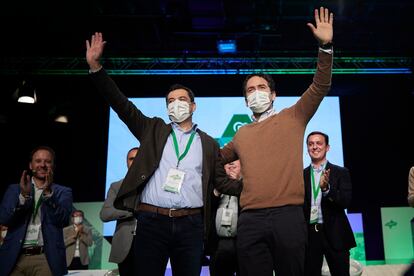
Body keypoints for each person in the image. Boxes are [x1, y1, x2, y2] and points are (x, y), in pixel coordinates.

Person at [85, 34, 240, 276]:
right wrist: (96, 67)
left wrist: (256, 187)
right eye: (170, 101)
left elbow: (220, 181)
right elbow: (121, 105)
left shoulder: (208, 143)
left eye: (181, 100)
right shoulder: (153, 129)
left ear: (193, 106)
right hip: (151, 221)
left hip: (191, 224)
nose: (175, 104)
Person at [217, 7, 334, 276]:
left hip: (288, 217)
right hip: (250, 220)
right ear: (246, 101)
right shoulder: (241, 134)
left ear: (273, 95)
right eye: (250, 90)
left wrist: (325, 47)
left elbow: (320, 86)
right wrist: (232, 186)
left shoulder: (293, 116)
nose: (255, 93)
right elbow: (214, 159)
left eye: (261, 89)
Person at [0, 146, 73, 276]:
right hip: (15, 257)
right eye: (38, 161)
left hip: (45, 258)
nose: (43, 165)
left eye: (48, 161)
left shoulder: (63, 192)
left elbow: (63, 220)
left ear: (53, 166)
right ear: (30, 165)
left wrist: (49, 193)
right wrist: (24, 196)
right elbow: (5, 219)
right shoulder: (14, 189)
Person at [303, 131, 356, 276]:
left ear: (327, 148)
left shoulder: (341, 172)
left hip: (335, 234)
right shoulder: (300, 176)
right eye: (310, 144)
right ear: (307, 149)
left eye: (319, 143)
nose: (315, 147)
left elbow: (345, 202)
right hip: (310, 235)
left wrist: (327, 189)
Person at [100, 147, 139, 275]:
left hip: (150, 244)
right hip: (124, 246)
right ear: (126, 162)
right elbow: (105, 214)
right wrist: (131, 211)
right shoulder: (116, 186)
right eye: (131, 158)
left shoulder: (154, 185)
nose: (134, 161)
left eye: (138, 158)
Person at [209, 160, 241, 276]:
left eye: (234, 164)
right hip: (218, 244)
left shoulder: (248, 186)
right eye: (228, 164)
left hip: (241, 243)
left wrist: (237, 184)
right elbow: (207, 208)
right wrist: (219, 188)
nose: (231, 166)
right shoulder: (215, 185)